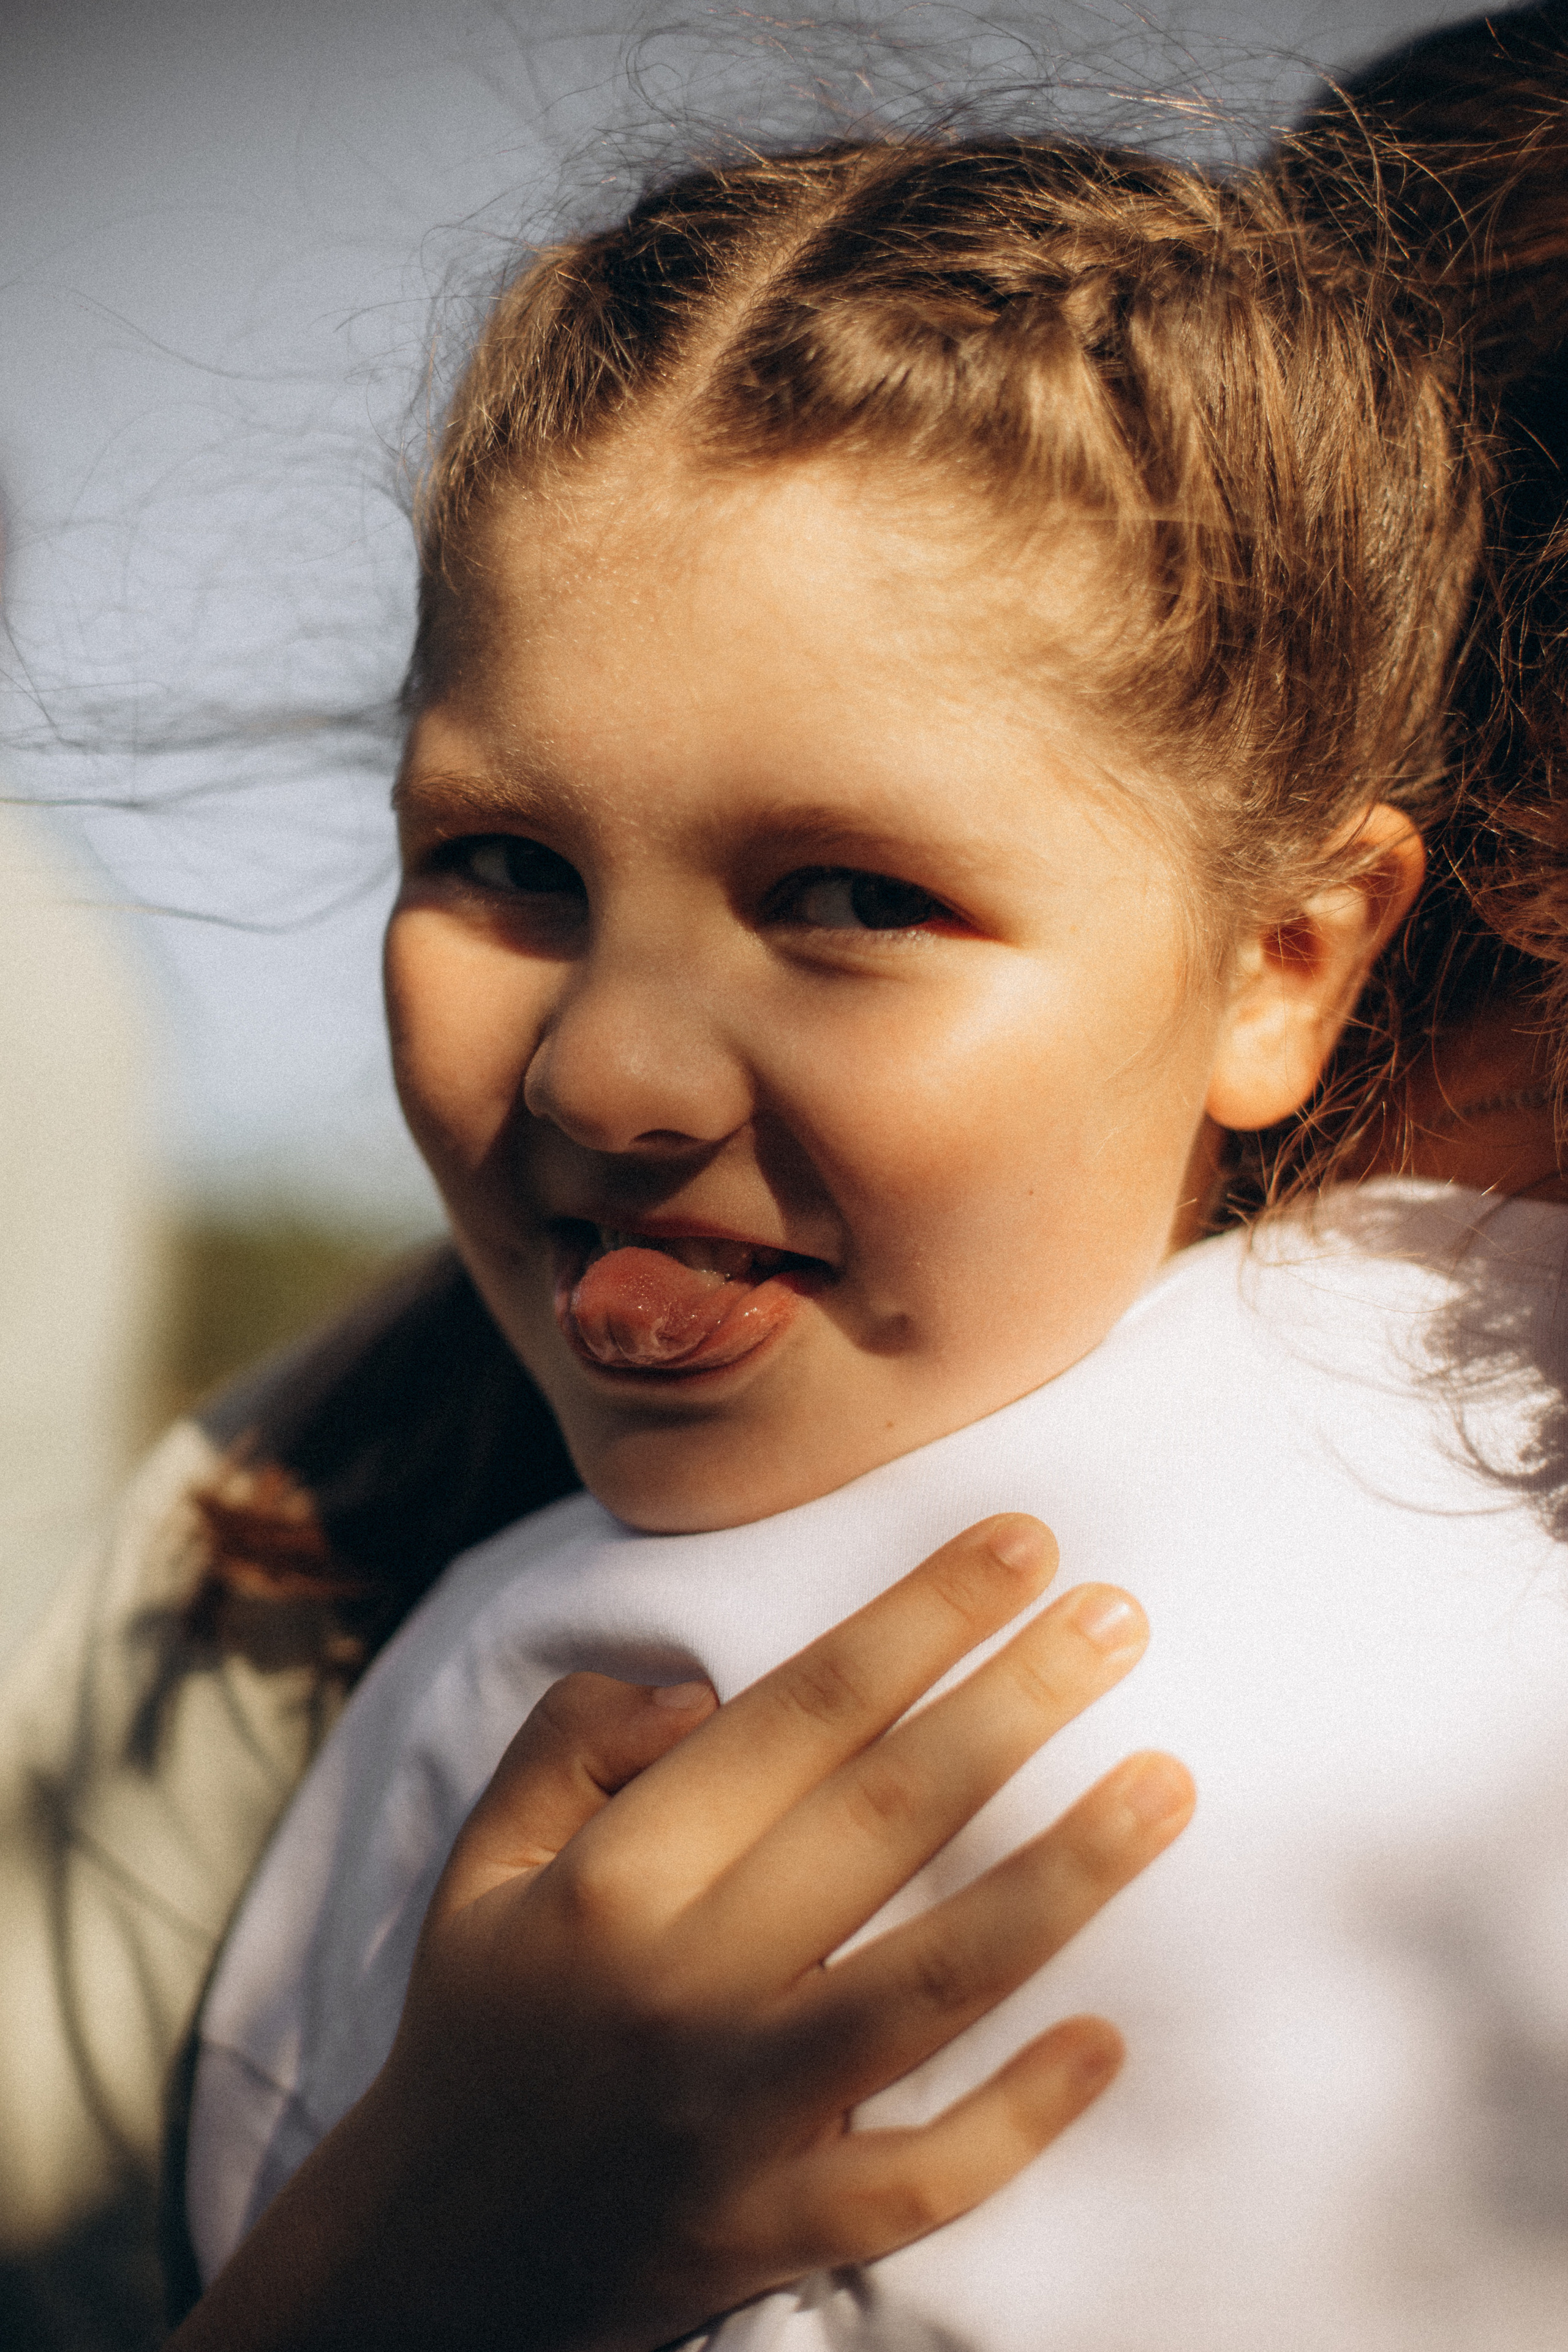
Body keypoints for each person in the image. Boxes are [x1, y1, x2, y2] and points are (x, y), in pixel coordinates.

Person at [167, 129, 1568, 2352]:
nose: (605, 1075)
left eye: (849, 899)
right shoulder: (498, 1704)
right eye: (505, 860)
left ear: (1285, 965)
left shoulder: (530, 1698)